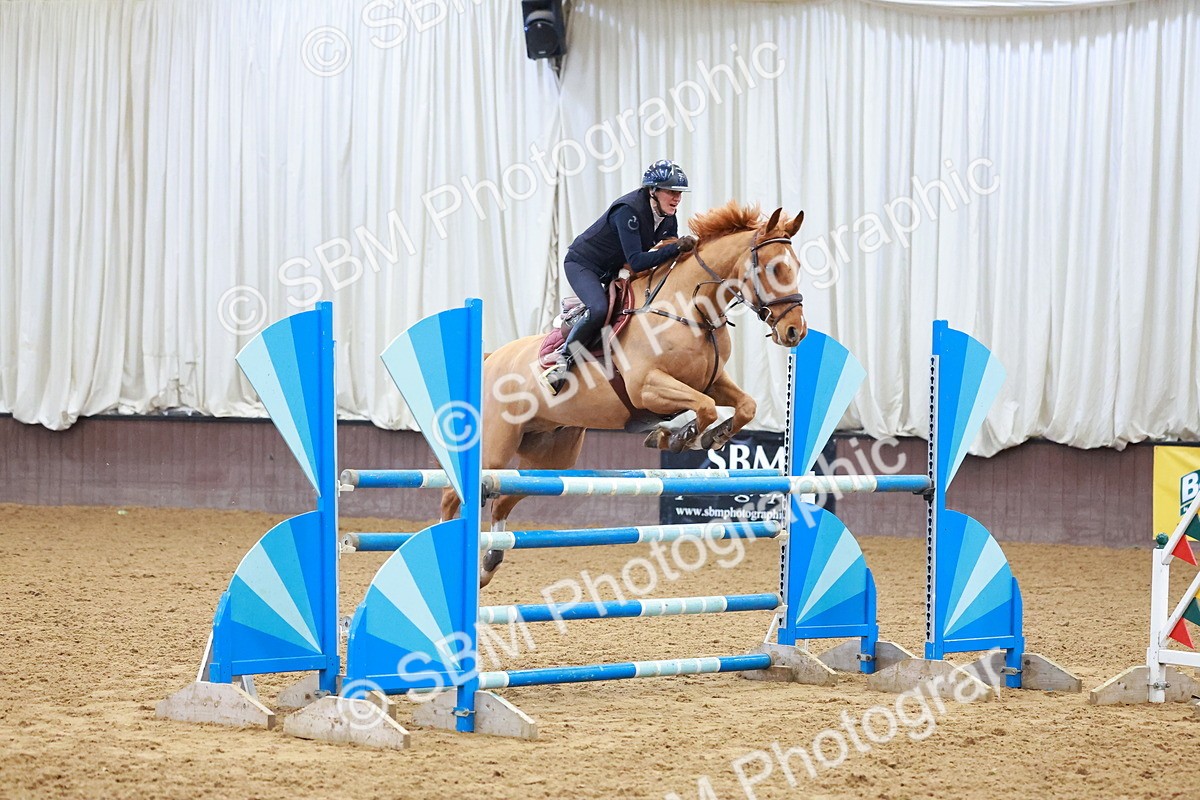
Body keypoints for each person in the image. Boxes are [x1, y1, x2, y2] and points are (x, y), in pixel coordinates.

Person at [541, 159, 698, 395]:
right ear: (652, 191)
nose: (676, 198)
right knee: (599, 308)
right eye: (670, 192)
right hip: (583, 264)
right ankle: (563, 361)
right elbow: (637, 260)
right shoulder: (629, 211)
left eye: (679, 193)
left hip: (613, 269)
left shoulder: (669, 216)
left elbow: (664, 255)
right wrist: (676, 248)